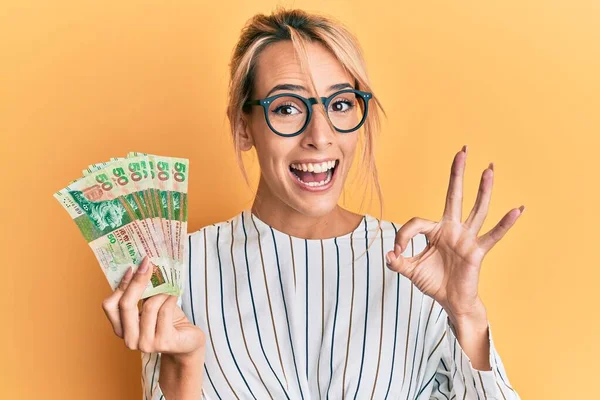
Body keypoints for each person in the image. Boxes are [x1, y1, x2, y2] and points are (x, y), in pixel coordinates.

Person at [102, 7, 523, 399]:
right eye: (286, 108)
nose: (320, 135)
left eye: (341, 104)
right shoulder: (181, 270)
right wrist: (183, 365)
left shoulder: (422, 264)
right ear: (243, 127)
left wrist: (467, 315)